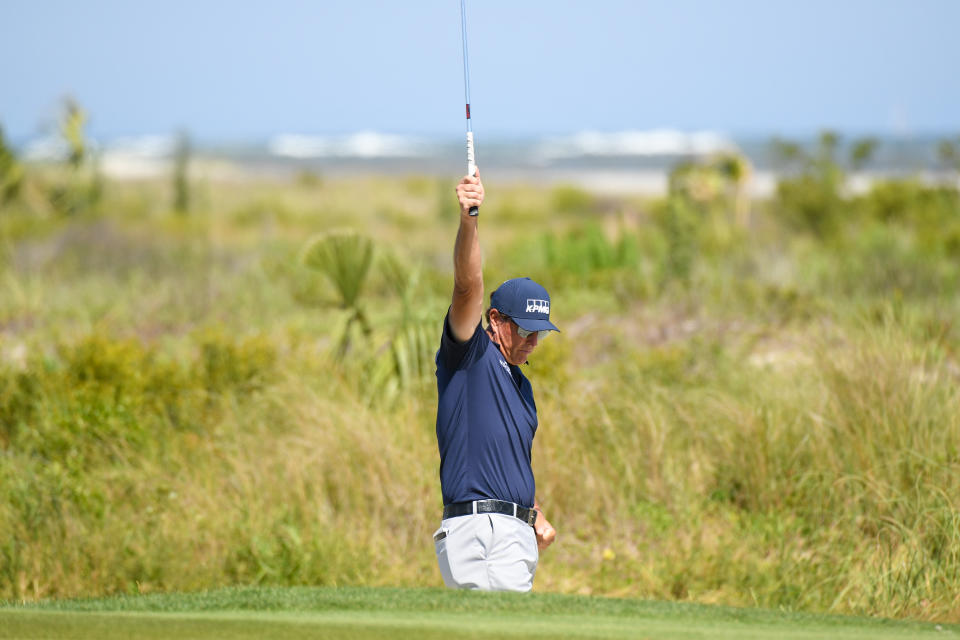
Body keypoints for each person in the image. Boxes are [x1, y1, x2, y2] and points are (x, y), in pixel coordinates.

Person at [432, 167, 558, 592]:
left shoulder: (524, 390)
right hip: (475, 530)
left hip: (515, 533)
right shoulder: (469, 355)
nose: (533, 342)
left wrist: (533, 511)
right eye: (524, 330)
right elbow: (467, 286)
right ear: (495, 320)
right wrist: (470, 218)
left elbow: (509, 466)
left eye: (538, 332)